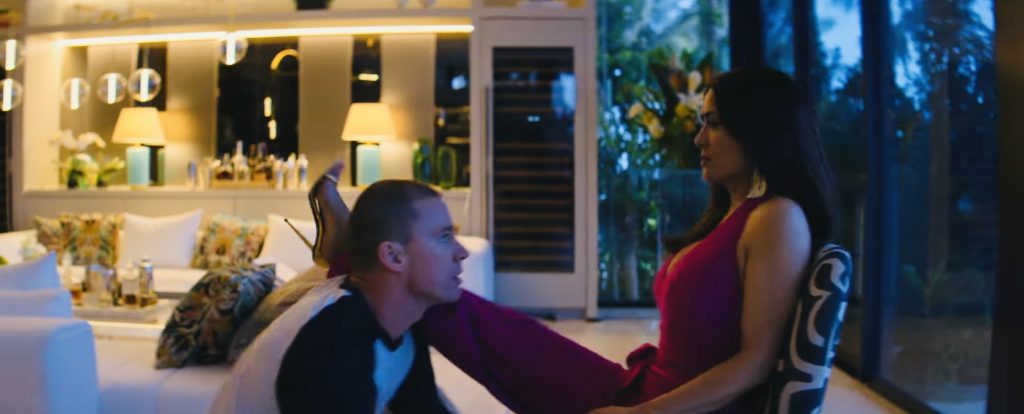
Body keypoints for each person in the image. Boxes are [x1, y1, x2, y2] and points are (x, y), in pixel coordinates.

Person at [312, 67, 838, 414]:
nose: (699, 137)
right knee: (485, 319)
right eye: (701, 122)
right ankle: (350, 251)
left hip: (656, 405)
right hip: (644, 387)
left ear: (758, 127)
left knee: (458, 312)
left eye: (714, 124)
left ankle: (347, 252)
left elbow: (755, 362)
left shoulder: (777, 218)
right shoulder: (735, 216)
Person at [275, 178, 469, 413]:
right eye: (444, 237)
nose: (462, 252)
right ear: (393, 256)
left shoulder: (403, 330)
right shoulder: (333, 344)